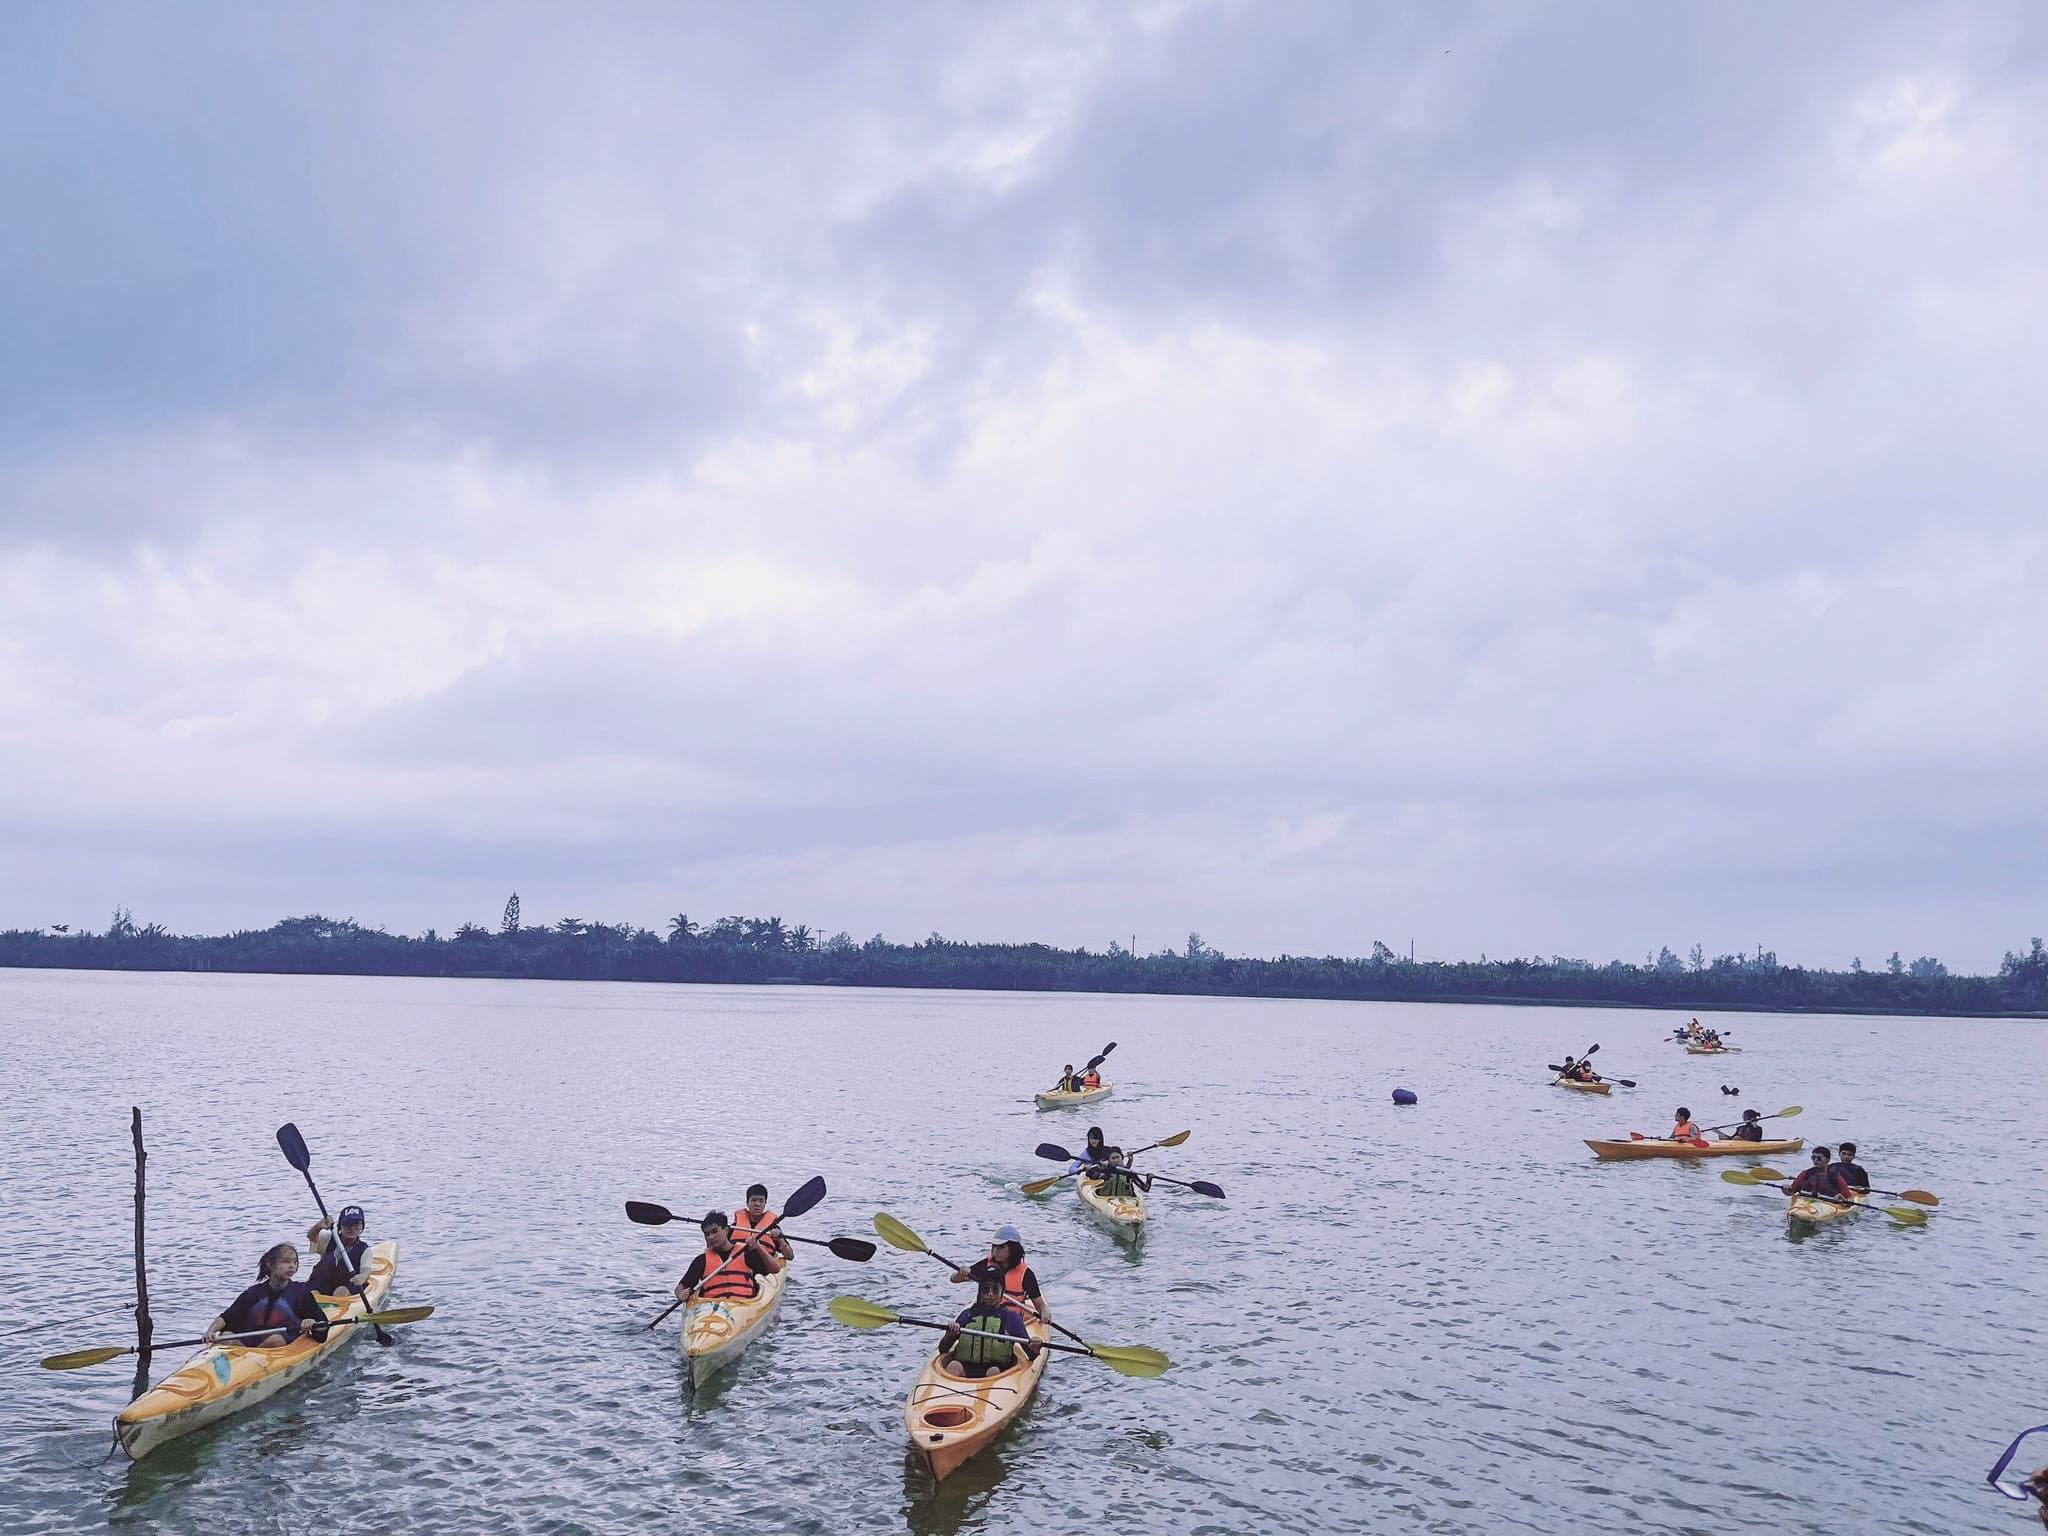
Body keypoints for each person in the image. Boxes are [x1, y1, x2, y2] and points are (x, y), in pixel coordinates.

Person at [205, 1243, 329, 1348]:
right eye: (286, 1261)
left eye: (295, 1262)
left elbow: (322, 1325)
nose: (292, 1266)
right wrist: (211, 1330)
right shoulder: (253, 1293)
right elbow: (227, 1317)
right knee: (226, 1335)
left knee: (275, 1339)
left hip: (283, 1342)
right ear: (270, 1265)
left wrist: (312, 1322)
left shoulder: (301, 1292)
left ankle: (252, 1363)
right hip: (252, 1342)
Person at [938, 1272, 1042, 1379]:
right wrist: (949, 1335)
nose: (990, 1294)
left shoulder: (1012, 1319)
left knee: (993, 1371)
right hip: (965, 1370)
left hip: (997, 1373)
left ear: (1002, 1293)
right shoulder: (966, 1315)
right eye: (986, 1290)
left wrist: (1035, 1347)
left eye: (995, 1290)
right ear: (980, 1292)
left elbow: (1031, 1355)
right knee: (953, 1366)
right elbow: (943, 1349)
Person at [674, 1211, 783, 1305]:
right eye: (707, 1234)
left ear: (726, 1231)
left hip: (743, 1307)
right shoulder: (701, 1261)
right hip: (711, 1310)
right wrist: (680, 1295)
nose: (711, 1237)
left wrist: (758, 1247)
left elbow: (775, 1269)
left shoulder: (746, 1254)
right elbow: (680, 1287)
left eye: (715, 1231)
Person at [951, 1225, 1050, 1323]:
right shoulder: (986, 1265)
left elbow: (1040, 1305)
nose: (995, 1251)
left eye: (1001, 1247)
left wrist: (1045, 1312)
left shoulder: (1026, 1274)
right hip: (984, 1317)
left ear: (1013, 1249)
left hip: (1011, 1323)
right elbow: (954, 1279)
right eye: (994, 1246)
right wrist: (960, 1274)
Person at [306, 1205, 369, 1296]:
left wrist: (362, 1277)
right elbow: (311, 1236)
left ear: (362, 1227)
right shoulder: (328, 1238)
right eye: (347, 1224)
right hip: (323, 1283)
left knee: (340, 1292)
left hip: (348, 1284)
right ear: (340, 1226)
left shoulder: (364, 1249)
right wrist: (318, 1226)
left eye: (356, 1224)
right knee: (312, 1293)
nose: (351, 1228)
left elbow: (366, 1270)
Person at [733, 1184, 794, 1261]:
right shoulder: (734, 1227)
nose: (757, 1204)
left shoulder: (773, 1228)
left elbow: (790, 1256)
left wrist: (780, 1239)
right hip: (739, 1266)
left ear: (765, 1203)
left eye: (761, 1201)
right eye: (754, 1200)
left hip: (763, 1269)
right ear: (747, 1202)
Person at [1786, 1147, 1856, 1204]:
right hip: (1805, 1202)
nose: (1815, 1160)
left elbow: (1850, 1200)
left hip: (1828, 1205)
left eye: (1819, 1158)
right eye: (1813, 1158)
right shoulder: (1805, 1174)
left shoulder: (1835, 1177)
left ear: (1827, 1160)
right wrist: (1786, 1189)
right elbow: (1791, 1191)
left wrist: (1842, 1198)